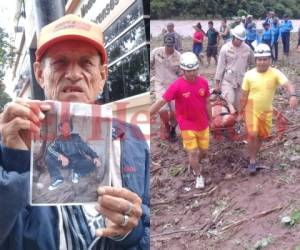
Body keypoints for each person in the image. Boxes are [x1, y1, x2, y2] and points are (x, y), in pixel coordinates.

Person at [0, 14, 149, 250]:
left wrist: (133, 231)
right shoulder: (12, 136)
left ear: (102, 75)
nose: (73, 74)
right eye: (60, 62)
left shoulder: (133, 139)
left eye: (86, 63)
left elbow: (150, 229)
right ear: (39, 74)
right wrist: (14, 159)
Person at [150, 52, 211, 189]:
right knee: (193, 151)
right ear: (182, 70)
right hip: (186, 124)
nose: (192, 73)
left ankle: (194, 163)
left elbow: (207, 102)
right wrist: (149, 113)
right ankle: (198, 174)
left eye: (195, 70)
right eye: (189, 71)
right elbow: (162, 101)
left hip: (202, 123)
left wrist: (211, 119)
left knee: (204, 150)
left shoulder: (204, 83)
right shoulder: (176, 86)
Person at [238, 43, 298, 174]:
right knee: (252, 134)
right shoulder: (249, 75)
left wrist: (293, 95)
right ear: (255, 60)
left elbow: (288, 85)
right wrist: (240, 111)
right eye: (259, 59)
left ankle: (253, 155)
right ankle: (252, 160)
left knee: (261, 136)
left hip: (266, 110)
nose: (262, 62)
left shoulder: (275, 73)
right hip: (251, 107)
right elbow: (243, 95)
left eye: (265, 59)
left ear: (270, 60)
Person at [46, 119, 101, 191]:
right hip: (66, 162)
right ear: (60, 129)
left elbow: (86, 148)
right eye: (64, 127)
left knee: (94, 164)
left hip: (77, 161)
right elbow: (50, 149)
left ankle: (77, 173)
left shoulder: (76, 138)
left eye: (68, 127)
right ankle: (57, 179)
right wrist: (60, 156)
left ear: (71, 129)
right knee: (48, 158)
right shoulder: (58, 140)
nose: (67, 129)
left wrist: (95, 157)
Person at [215, 24, 255, 110]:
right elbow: (220, 67)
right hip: (228, 80)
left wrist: (251, 78)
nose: (239, 41)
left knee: (239, 105)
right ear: (233, 37)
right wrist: (217, 84)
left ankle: (236, 120)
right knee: (230, 100)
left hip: (241, 81)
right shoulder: (225, 48)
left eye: (241, 40)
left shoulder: (247, 49)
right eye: (238, 39)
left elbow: (253, 64)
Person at [150, 33, 180, 142]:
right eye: (167, 45)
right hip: (160, 84)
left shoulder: (179, 57)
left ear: (174, 45)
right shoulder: (156, 52)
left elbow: (182, 74)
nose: (169, 48)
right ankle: (167, 127)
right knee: (162, 109)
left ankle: (173, 128)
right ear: (164, 44)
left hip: (174, 86)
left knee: (175, 111)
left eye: (171, 46)